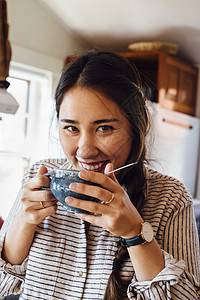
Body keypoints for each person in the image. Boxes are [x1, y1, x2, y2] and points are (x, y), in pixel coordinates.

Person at [0, 51, 199, 300]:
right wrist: (25, 220)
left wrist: (135, 233)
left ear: (136, 127)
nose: (84, 149)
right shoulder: (39, 178)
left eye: (104, 128)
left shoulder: (170, 197)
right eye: (71, 128)